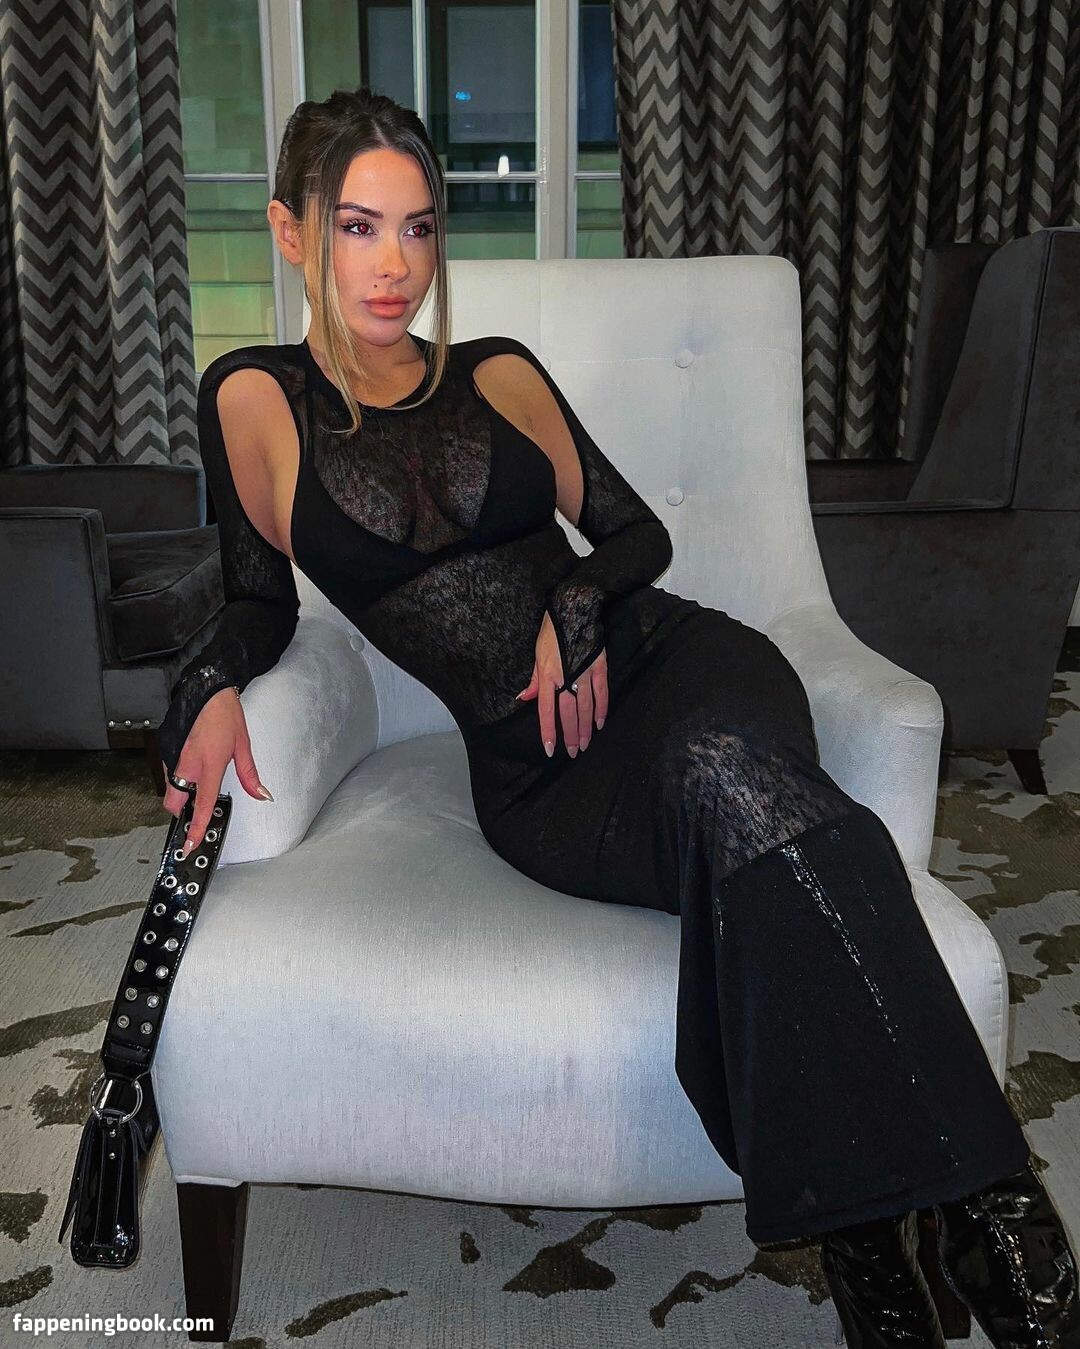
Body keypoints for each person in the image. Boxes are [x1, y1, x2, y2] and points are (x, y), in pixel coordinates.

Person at [155, 86, 1080, 1347]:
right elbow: (257, 600)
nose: (394, 264)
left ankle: (954, 1227)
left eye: (418, 227)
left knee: (725, 768)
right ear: (289, 230)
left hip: (682, 663)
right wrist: (208, 689)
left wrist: (580, 597)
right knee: (775, 835)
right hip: (541, 776)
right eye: (358, 226)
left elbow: (635, 532)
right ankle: (915, 1221)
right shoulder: (250, 399)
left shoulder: (497, 371)